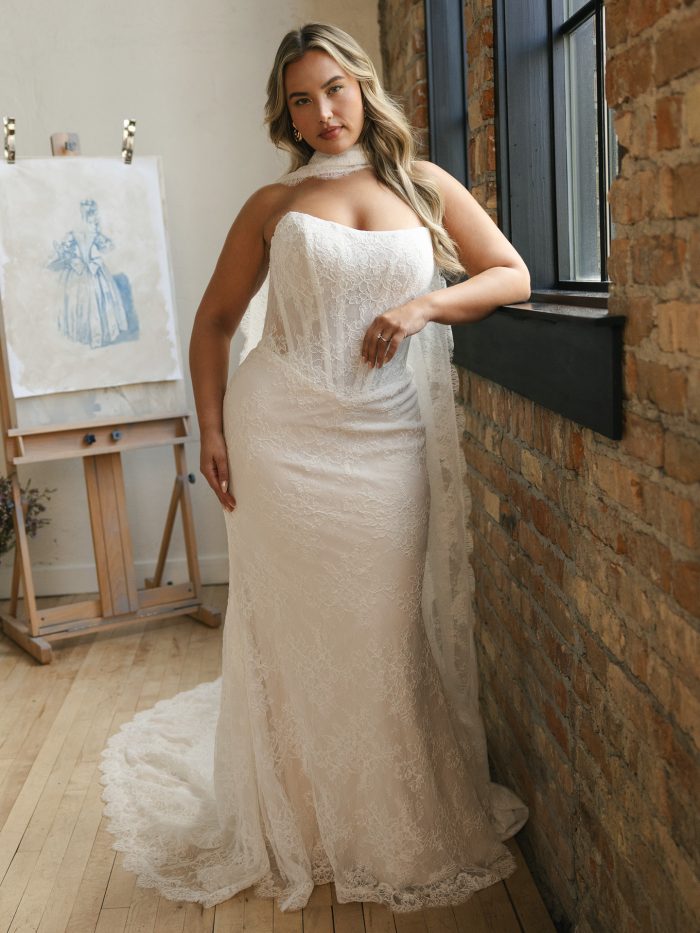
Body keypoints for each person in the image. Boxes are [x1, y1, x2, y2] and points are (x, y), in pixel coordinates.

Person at [98, 22, 531, 914]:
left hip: (383, 442)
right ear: (286, 112)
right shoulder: (271, 204)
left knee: (382, 631)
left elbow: (511, 276)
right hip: (278, 435)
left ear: (362, 86)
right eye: (302, 98)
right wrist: (211, 429)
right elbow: (215, 323)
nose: (324, 111)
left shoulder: (424, 184)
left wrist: (422, 307)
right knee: (294, 638)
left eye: (334, 87)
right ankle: (304, 821)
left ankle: (393, 822)